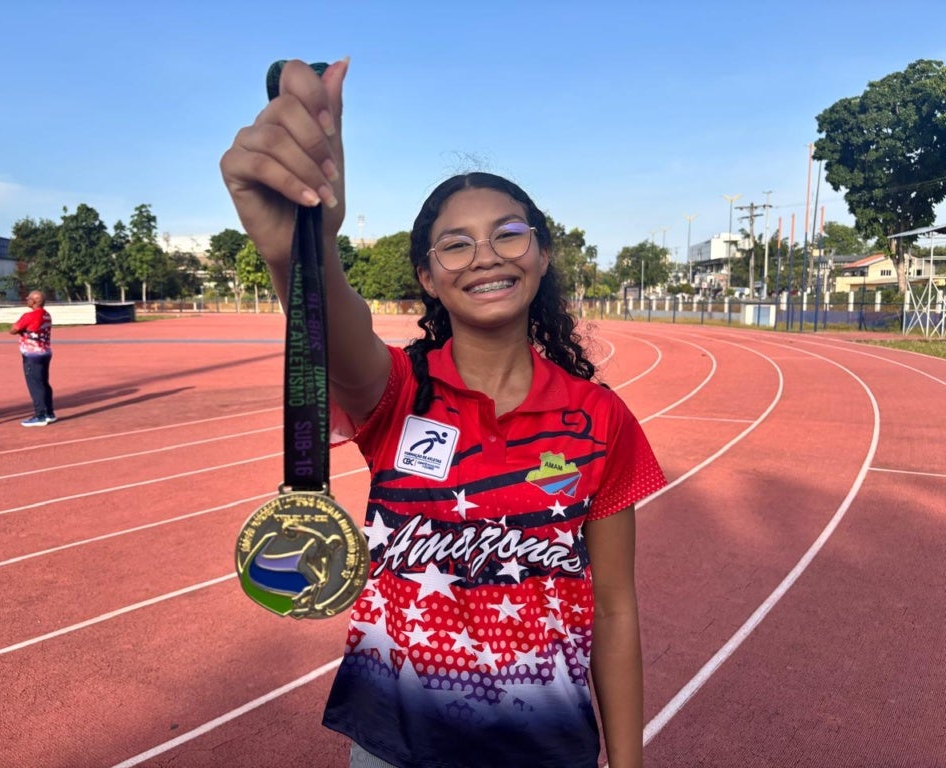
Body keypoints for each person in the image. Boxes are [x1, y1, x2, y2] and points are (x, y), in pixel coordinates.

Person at [221, 60, 667, 768]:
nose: (484, 256)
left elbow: (614, 609)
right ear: (427, 276)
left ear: (543, 254)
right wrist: (301, 255)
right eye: (455, 243)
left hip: (547, 747)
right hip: (398, 746)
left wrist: (629, 764)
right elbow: (340, 335)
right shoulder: (397, 392)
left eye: (509, 234)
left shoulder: (599, 419)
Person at [9, 290, 56, 426]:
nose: (26, 299)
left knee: (35, 384)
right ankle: (49, 412)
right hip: (45, 351)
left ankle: (40, 414)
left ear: (35, 301)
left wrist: (21, 330)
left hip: (32, 354)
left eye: (28, 298)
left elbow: (13, 329)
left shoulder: (29, 315)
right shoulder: (47, 315)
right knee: (44, 382)